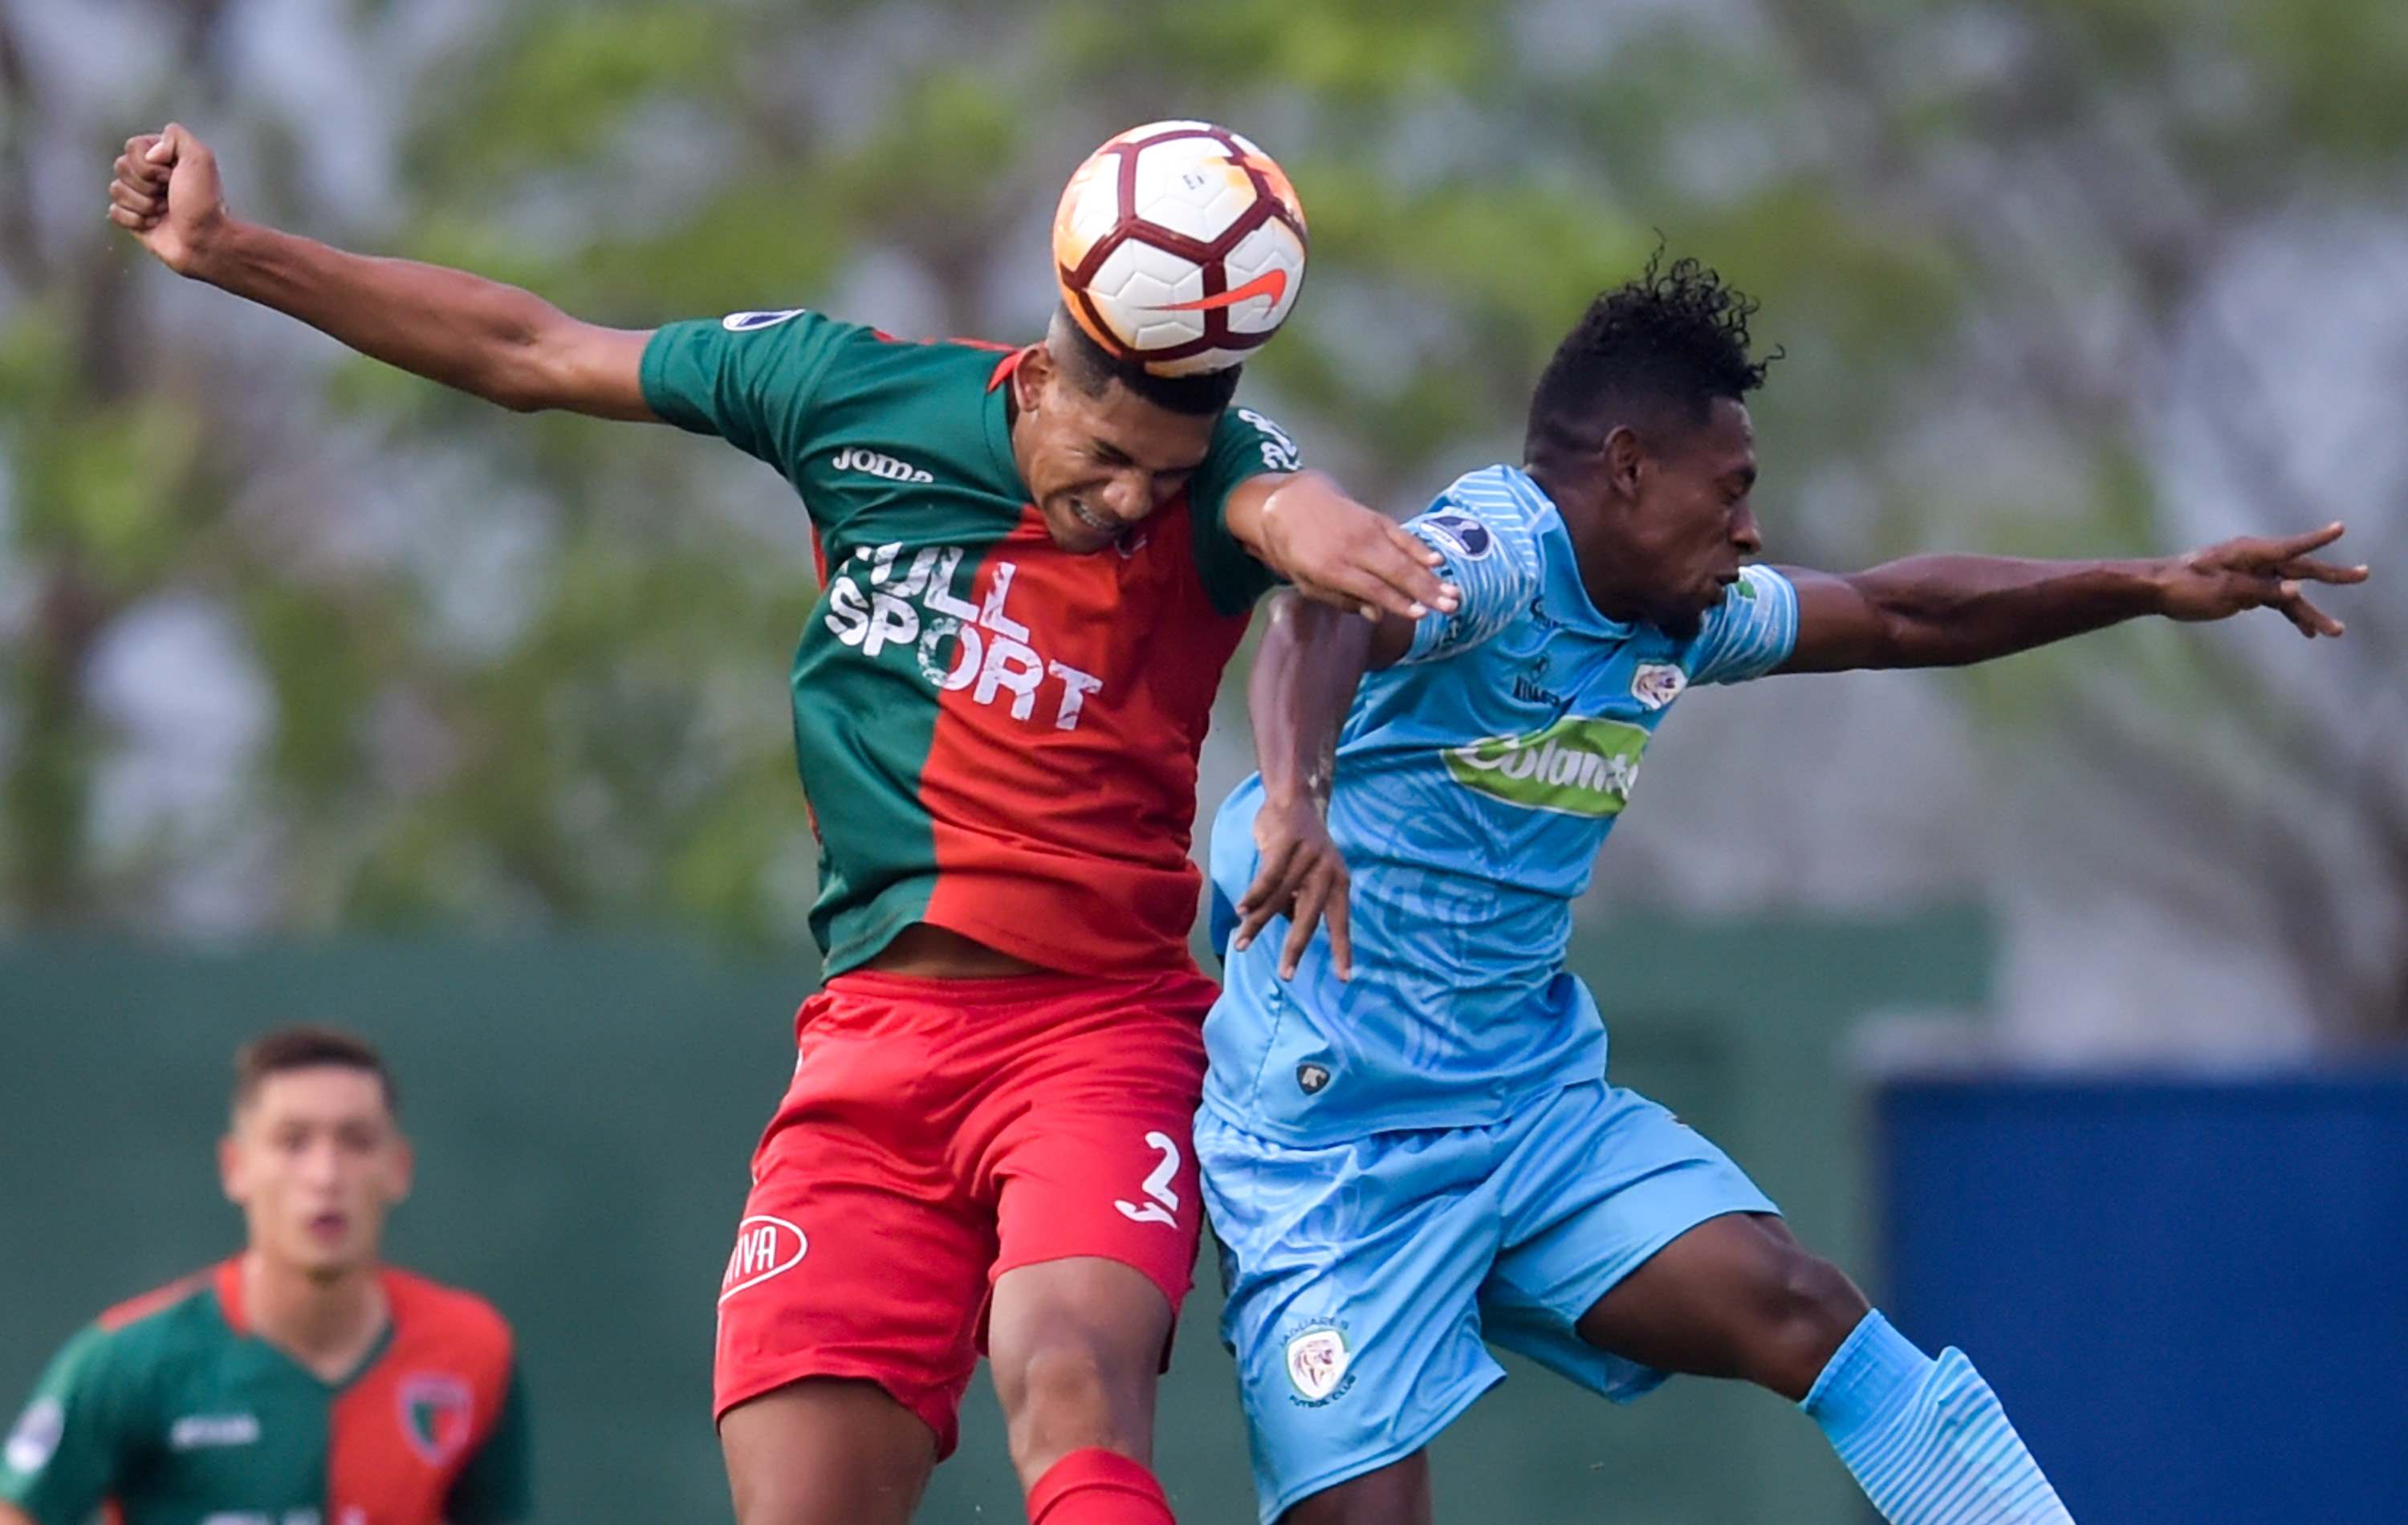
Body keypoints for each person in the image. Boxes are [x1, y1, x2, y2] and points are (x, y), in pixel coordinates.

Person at [104, 123, 1450, 1525]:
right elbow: (530, 350)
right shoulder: (847, 396)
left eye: (1166, 484)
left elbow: (1291, 523)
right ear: (1042, 369)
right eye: (1112, 459)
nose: (1130, 506)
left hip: (1096, 1043)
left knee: (1066, 1379)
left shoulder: (1221, 468)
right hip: (868, 1058)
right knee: (801, 1494)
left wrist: (1315, 561)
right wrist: (225, 250)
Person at [1204, 254, 2367, 1525]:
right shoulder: (1484, 563)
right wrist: (1299, 799)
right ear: (1631, 468)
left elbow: (1898, 614)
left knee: (1799, 1303)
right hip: (1335, 1143)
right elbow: (1315, 617)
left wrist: (2145, 584)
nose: (1750, 532)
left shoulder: (1675, 617)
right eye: (1735, 492)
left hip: (1529, 1113)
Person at [0, 1027, 531, 1525]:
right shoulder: (128, 1360)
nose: (325, 1175)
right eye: (293, 1142)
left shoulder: (472, 1349)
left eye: (356, 1141)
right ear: (236, 1168)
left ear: (399, 1168)